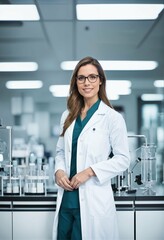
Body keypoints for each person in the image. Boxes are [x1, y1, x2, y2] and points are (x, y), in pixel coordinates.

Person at [52, 56, 130, 240]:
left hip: (94, 200)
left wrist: (90, 172)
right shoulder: (67, 115)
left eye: (92, 77)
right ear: (76, 82)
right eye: (81, 78)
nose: (87, 83)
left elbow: (123, 159)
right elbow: (61, 152)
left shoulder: (112, 117)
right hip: (67, 201)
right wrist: (59, 171)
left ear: (100, 80)